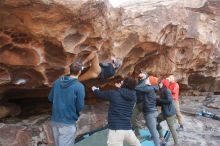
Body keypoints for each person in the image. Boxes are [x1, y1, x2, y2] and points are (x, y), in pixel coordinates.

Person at [91, 77, 141, 146]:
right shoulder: (134, 97)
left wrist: (94, 89)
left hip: (116, 129)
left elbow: (100, 94)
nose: (121, 82)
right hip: (127, 128)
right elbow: (125, 93)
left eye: (123, 81)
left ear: (124, 84)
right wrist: (121, 88)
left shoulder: (114, 93)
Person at [48, 62, 85, 146]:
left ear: (70, 70)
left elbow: (50, 98)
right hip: (68, 122)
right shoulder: (79, 86)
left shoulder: (57, 82)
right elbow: (80, 107)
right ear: (79, 72)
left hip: (55, 120)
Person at [135, 75, 160, 146]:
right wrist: (146, 81)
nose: (146, 80)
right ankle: (154, 138)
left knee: (154, 131)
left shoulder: (149, 88)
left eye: (147, 79)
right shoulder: (152, 88)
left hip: (150, 113)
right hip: (152, 112)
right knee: (152, 129)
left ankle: (157, 144)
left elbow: (137, 88)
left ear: (150, 82)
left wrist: (144, 80)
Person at [157, 79, 179, 146]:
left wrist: (159, 100)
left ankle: (176, 144)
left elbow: (169, 100)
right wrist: (157, 102)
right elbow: (163, 102)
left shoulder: (167, 90)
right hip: (165, 112)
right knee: (155, 121)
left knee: (172, 128)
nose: (159, 84)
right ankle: (161, 137)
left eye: (160, 83)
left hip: (170, 113)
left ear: (163, 84)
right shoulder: (162, 90)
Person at [131, 71, 147, 136]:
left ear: (145, 75)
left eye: (141, 73)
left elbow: (137, 88)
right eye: (139, 73)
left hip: (144, 103)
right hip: (138, 104)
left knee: (149, 120)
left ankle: (158, 134)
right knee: (132, 117)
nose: (139, 74)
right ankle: (137, 132)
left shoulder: (145, 82)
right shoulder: (138, 81)